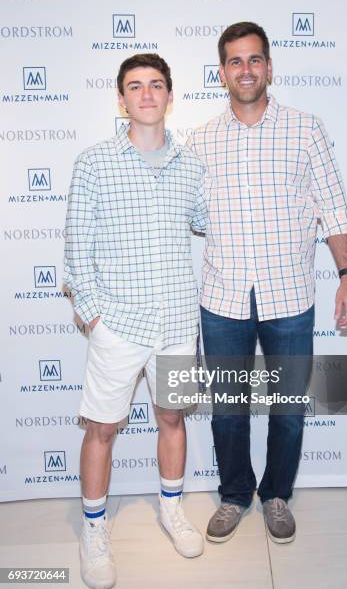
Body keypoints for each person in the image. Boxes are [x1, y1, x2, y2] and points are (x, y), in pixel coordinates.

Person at [187, 22, 347, 545]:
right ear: (222, 73)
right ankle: (235, 495)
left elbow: (334, 207)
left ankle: (277, 494)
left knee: (287, 408)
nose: (246, 70)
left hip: (290, 297)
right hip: (222, 299)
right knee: (228, 410)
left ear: (269, 67)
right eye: (235, 62)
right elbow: (190, 217)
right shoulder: (199, 140)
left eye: (255, 60)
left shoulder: (305, 129)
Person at [64, 53, 206, 589]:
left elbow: (204, 222)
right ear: (121, 100)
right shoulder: (94, 162)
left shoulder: (193, 166)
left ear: (170, 96)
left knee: (172, 419)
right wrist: (97, 317)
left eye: (156, 85)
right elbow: (77, 251)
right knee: (102, 428)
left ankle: (172, 509)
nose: (146, 94)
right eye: (134, 87)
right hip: (118, 325)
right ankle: (94, 529)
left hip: (173, 321)